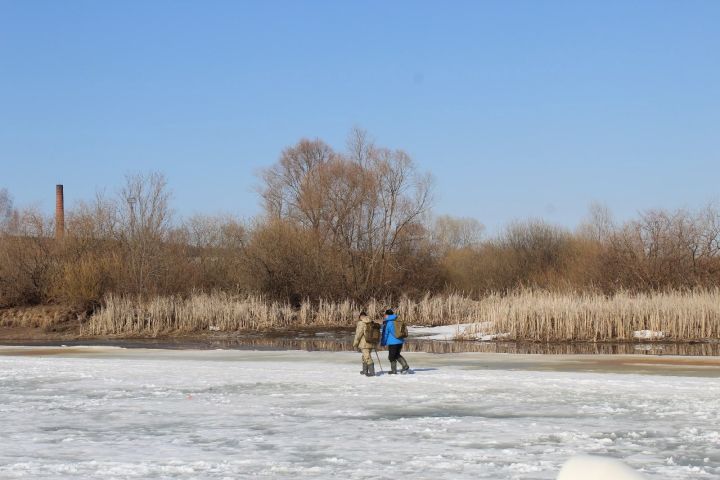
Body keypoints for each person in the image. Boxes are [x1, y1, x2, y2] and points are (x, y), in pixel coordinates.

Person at [380, 309, 410, 374]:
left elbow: (385, 334)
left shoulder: (389, 323)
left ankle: (396, 369)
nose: (384, 316)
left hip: (393, 343)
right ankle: (404, 366)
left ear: (387, 315)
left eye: (385, 315)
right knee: (396, 355)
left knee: (391, 356)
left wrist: (383, 342)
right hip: (400, 341)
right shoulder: (398, 320)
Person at [352, 311, 380, 377]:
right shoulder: (371, 322)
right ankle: (365, 371)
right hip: (371, 343)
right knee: (364, 356)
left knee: (367, 357)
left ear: (361, 317)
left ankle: (372, 372)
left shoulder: (361, 323)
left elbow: (358, 335)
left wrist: (355, 344)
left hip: (364, 343)